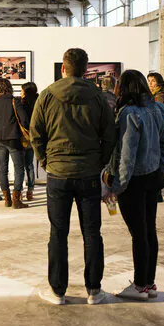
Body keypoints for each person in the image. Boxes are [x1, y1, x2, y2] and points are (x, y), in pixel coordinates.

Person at [30, 48, 117, 306]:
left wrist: (46, 161)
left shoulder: (47, 95)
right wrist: (99, 162)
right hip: (89, 174)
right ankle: (94, 290)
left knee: (58, 233)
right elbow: (110, 135)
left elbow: (35, 134)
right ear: (85, 68)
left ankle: (57, 291)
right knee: (92, 233)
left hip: (58, 174)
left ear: (63, 68)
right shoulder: (98, 97)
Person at [103, 70, 164, 301]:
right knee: (149, 231)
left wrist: (118, 185)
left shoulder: (128, 114)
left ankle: (140, 284)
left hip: (134, 181)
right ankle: (149, 282)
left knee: (139, 234)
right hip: (152, 178)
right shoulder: (155, 109)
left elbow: (127, 154)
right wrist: (160, 167)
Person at [0, 78, 29, 209]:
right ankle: (16, 200)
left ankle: (7, 199)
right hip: (14, 139)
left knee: (3, 168)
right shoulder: (14, 101)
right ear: (9, 88)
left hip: (0, 140)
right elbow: (24, 120)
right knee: (19, 168)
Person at [21, 82, 39, 201]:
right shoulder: (38, 101)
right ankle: (30, 191)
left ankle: (20, 191)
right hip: (34, 137)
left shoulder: (22, 104)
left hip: (23, 137)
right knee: (30, 165)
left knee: (20, 166)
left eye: (22, 90)